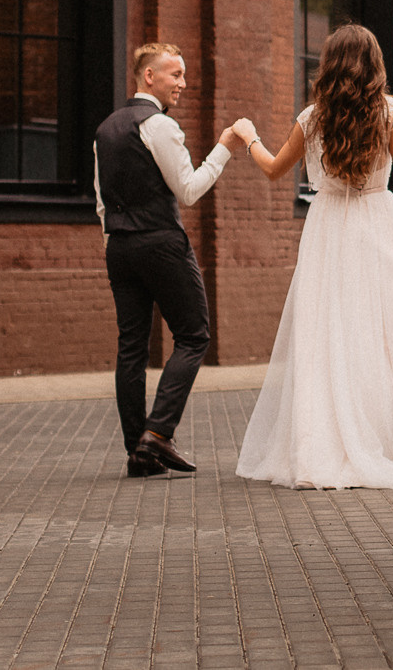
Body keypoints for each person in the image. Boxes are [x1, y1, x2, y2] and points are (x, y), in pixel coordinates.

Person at [232, 23, 393, 489]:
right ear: (375, 64)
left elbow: (273, 170)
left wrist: (249, 137)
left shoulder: (311, 118)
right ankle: (376, 437)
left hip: (328, 230)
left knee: (326, 338)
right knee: (379, 336)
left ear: (328, 66)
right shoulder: (390, 111)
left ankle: (320, 446)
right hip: (379, 223)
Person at [95, 41, 253, 478]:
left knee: (131, 347)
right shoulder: (159, 126)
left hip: (119, 247)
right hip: (161, 243)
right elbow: (188, 189)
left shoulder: (106, 129)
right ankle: (158, 434)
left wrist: (115, 241)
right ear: (149, 76)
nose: (183, 83)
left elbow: (102, 204)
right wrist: (222, 146)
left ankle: (138, 452)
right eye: (175, 74)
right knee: (195, 336)